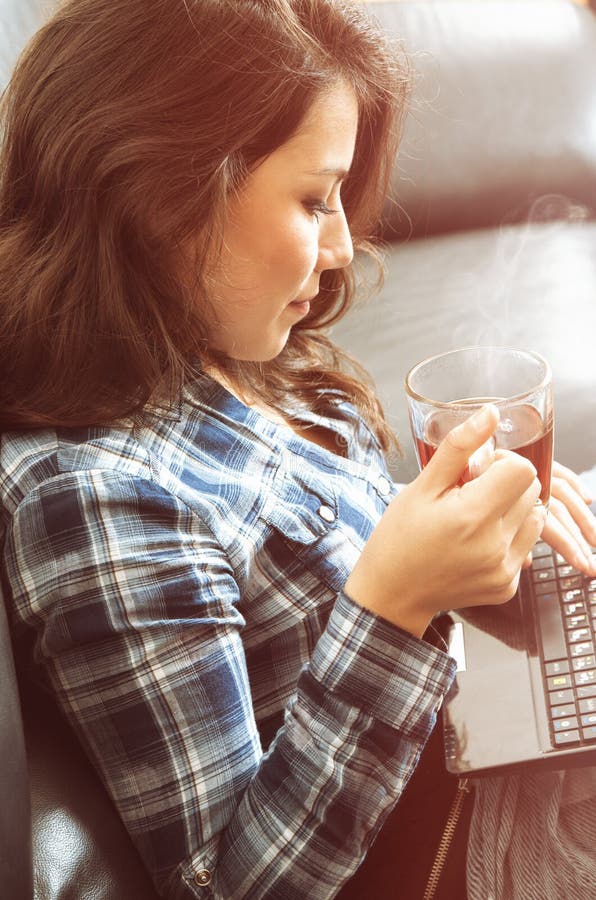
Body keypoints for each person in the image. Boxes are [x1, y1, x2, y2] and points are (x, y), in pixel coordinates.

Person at [1, 1, 595, 898]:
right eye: (315, 200)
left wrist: (468, 532)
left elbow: (329, 565)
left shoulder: (219, 348)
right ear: (163, 193)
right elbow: (237, 884)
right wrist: (398, 601)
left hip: (470, 734)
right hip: (458, 844)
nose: (344, 250)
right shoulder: (93, 497)